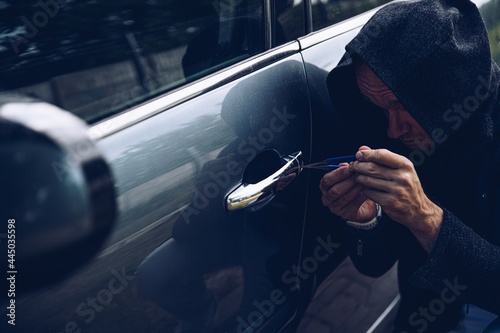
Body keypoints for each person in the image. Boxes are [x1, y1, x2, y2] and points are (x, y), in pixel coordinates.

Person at [319, 0, 500, 332]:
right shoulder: (396, 139)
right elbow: (376, 265)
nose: (393, 130)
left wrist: (426, 218)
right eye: (381, 109)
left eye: (399, 105)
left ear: (447, 88)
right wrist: (365, 222)